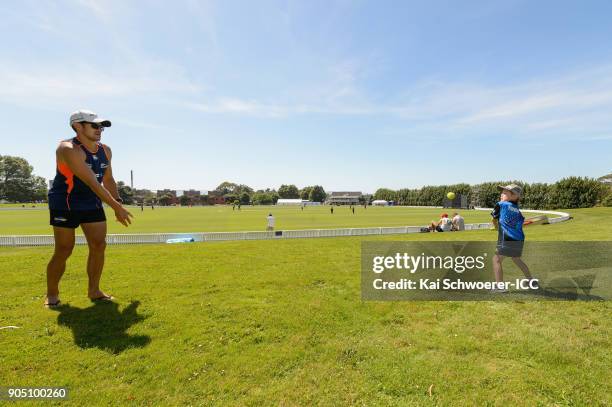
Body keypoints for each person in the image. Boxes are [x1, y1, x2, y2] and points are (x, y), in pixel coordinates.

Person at [45, 110, 133, 308]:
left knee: (99, 245)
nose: (99, 130)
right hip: (65, 202)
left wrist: (117, 201)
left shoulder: (106, 150)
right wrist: (116, 207)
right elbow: (93, 182)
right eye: (94, 125)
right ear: (78, 126)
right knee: (64, 249)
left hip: (91, 201)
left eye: (101, 126)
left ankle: (94, 291)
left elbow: (108, 179)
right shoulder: (67, 148)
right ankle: (52, 294)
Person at [491, 184, 536, 293]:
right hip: (519, 239)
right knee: (516, 259)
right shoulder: (517, 210)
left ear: (515, 196)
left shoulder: (501, 204)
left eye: (505, 193)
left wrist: (496, 227)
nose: (502, 194)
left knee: (496, 259)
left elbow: (494, 219)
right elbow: (520, 223)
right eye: (502, 192)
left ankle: (499, 287)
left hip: (507, 238)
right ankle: (531, 281)